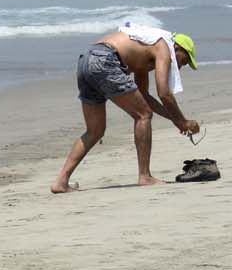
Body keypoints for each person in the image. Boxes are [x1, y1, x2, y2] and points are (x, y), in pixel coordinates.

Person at [51, 24, 201, 193]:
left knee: (95, 130)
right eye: (184, 60)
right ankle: (145, 176)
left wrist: (177, 121)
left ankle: (61, 182)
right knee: (143, 115)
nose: (181, 66)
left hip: (87, 61)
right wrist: (183, 121)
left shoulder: (145, 50)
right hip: (106, 60)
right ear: (178, 48)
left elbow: (144, 96)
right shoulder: (164, 48)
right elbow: (164, 93)